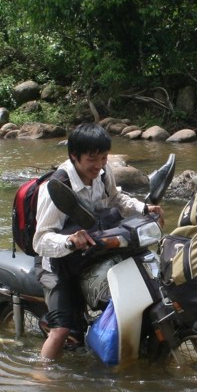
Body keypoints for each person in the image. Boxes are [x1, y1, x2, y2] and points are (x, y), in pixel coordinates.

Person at [32, 123, 162, 360]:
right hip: (57, 263)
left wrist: (143, 208)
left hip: (93, 252)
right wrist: (69, 241)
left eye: (103, 158)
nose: (99, 165)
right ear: (74, 156)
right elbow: (40, 241)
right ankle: (42, 375)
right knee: (61, 330)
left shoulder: (103, 172)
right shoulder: (57, 188)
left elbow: (116, 199)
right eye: (92, 159)